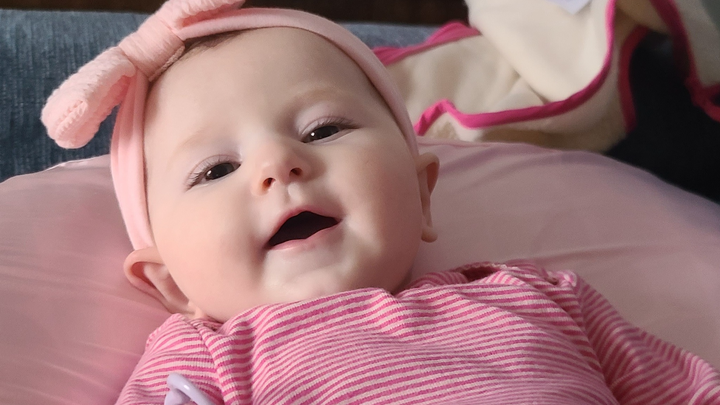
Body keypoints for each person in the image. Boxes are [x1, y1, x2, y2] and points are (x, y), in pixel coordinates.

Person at [41, 0, 720, 403]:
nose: (279, 165)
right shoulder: (213, 359)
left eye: (323, 130)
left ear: (422, 195)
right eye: (216, 168)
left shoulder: (542, 298)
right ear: (168, 282)